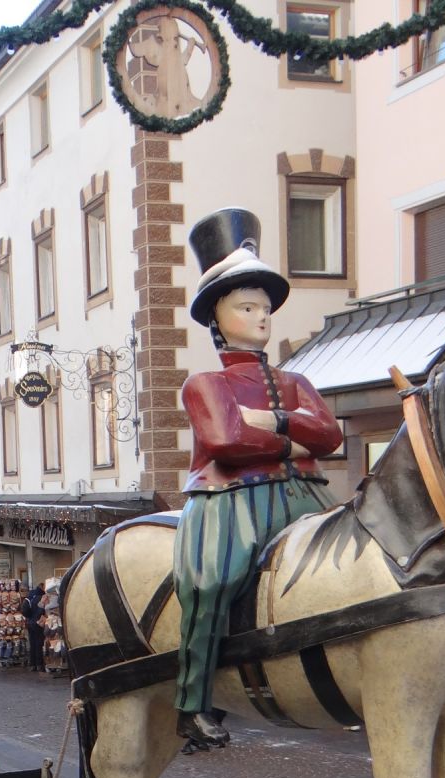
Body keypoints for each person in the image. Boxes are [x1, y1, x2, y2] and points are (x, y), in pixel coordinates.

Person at [172, 208, 345, 749]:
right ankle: (193, 699)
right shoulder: (204, 383)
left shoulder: (295, 378)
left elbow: (331, 434)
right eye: (247, 306)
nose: (262, 317)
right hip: (231, 499)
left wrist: (272, 422)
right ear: (217, 318)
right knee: (212, 581)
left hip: (305, 495)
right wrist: (295, 438)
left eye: (265, 307)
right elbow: (226, 443)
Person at [23, 582, 47, 672]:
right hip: (38, 623)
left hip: (29, 623)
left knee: (32, 644)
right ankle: (39, 664)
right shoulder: (42, 597)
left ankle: (32, 664)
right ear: (42, 588)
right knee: (39, 644)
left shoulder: (30, 596)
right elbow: (41, 611)